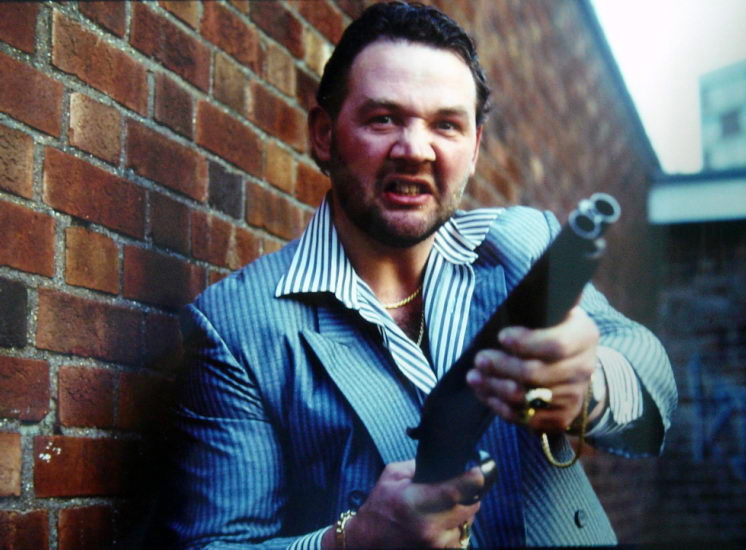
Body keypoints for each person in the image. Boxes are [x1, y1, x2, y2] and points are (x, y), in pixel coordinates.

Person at [158, 2, 676, 548]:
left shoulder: (524, 244)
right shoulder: (236, 328)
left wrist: (589, 388)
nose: (415, 151)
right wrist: (352, 541)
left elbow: (655, 390)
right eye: (384, 119)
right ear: (324, 135)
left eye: (446, 125)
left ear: (474, 149)